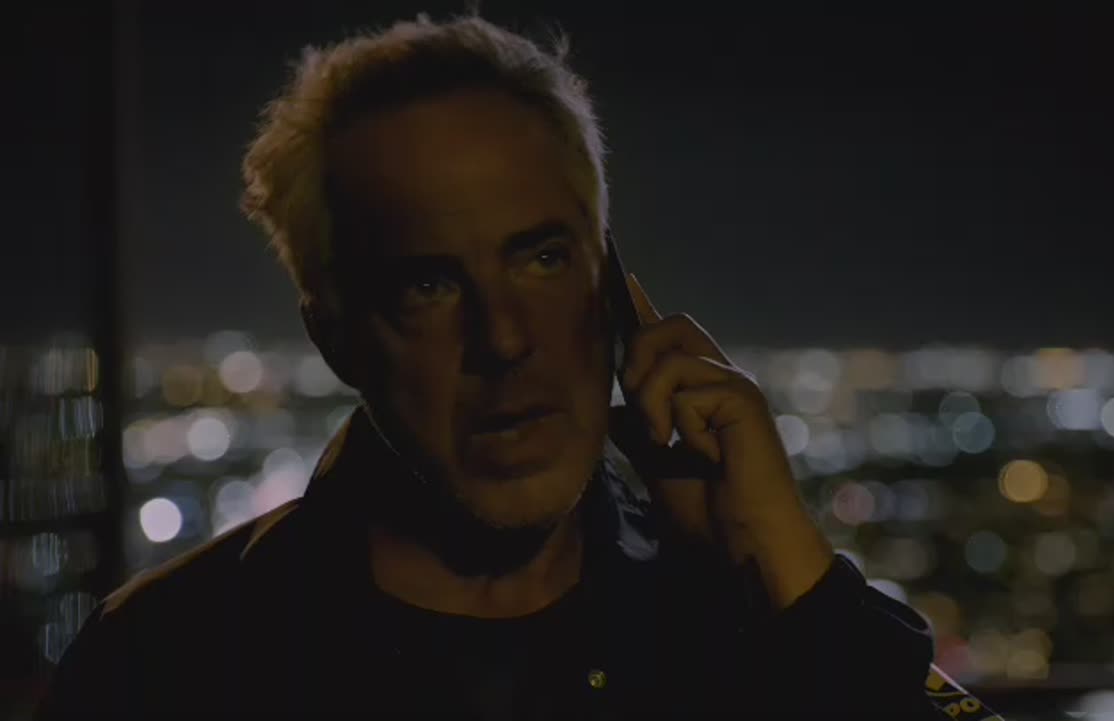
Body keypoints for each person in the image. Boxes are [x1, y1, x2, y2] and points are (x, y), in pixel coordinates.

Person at [37, 14, 946, 720]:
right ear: (336, 337)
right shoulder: (170, 664)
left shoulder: (744, 631)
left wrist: (791, 569)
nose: (504, 338)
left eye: (543, 258)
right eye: (429, 285)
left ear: (613, 289)